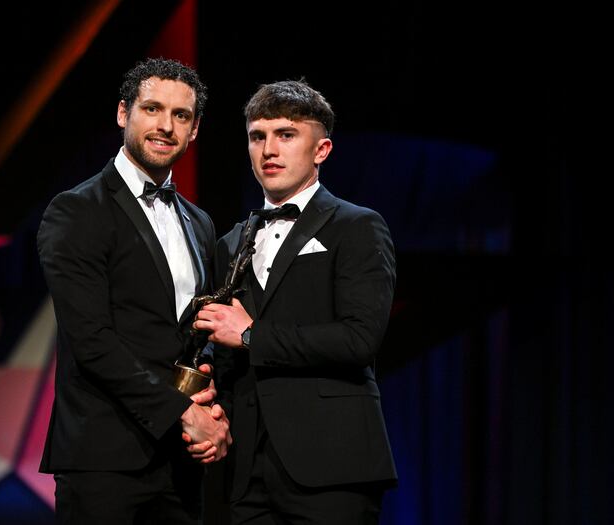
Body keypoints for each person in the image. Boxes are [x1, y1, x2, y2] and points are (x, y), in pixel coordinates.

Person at [194, 80, 397, 524]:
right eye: (257, 136)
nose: (269, 149)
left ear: (321, 150)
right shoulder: (231, 242)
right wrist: (214, 411)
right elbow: (225, 353)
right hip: (246, 470)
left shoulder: (357, 226)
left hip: (332, 465)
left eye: (286, 135)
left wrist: (251, 335)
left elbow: (359, 339)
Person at [37, 57, 231, 524]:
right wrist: (182, 413)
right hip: (104, 458)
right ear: (124, 113)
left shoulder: (199, 222)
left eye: (181, 116)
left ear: (195, 129)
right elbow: (92, 341)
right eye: (152, 109)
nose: (165, 126)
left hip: (181, 461)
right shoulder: (77, 210)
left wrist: (212, 412)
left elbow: (194, 336)